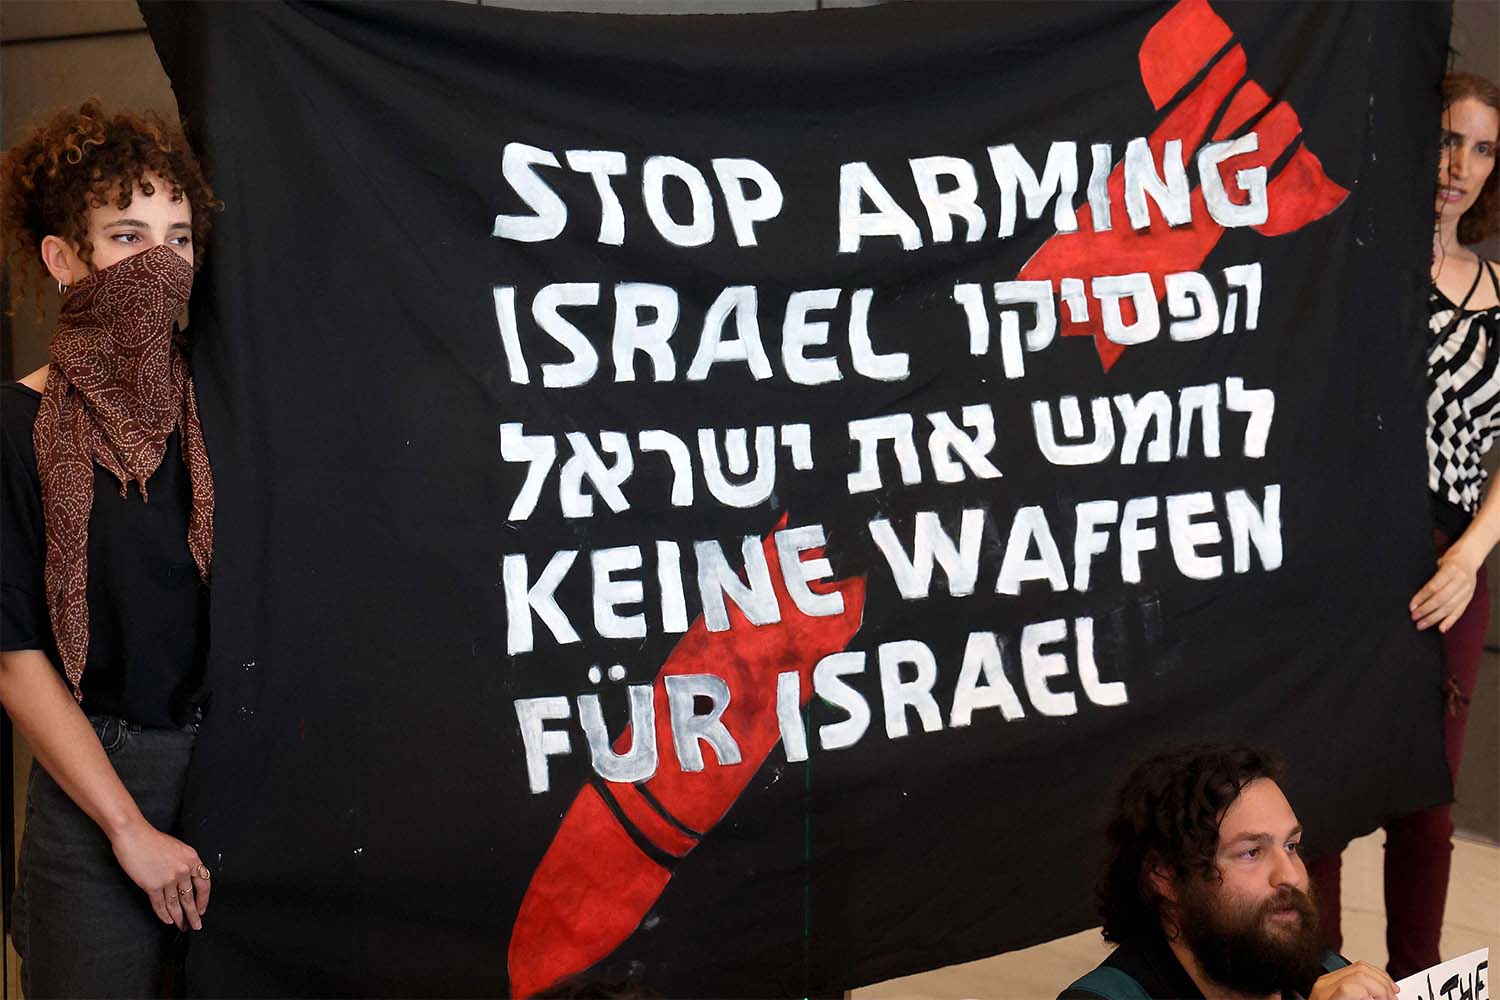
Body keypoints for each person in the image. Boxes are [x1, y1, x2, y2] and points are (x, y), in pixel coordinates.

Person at [1, 100, 220, 997]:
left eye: (177, 238)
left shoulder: (224, 412)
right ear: (64, 260)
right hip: (99, 791)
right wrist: (130, 830)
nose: (159, 264)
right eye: (128, 237)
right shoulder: (14, 426)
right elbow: (13, 660)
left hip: (238, 769)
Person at [1305, 71, 1500, 980]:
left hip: (1450, 561)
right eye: (1448, 139)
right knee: (1330, 787)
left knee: (1427, 803)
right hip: (1347, 552)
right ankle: (1327, 974)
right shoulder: (1364, 257)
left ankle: (1413, 983)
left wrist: (1470, 553)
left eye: (1484, 147)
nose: (1459, 165)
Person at [1059, 745, 1397, 1000]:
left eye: (1291, 846)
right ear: (1164, 875)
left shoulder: (1323, 973)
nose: (1290, 876)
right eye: (1251, 852)